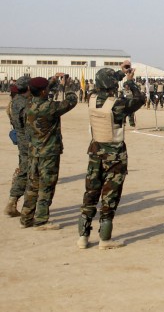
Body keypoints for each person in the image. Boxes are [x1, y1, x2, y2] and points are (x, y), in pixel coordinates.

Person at [76, 62, 145, 250]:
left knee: (90, 194)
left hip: (95, 153)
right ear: (113, 85)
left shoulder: (90, 98)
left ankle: (83, 237)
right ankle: (104, 239)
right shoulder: (118, 104)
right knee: (110, 197)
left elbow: (105, 82)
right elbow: (140, 99)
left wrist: (119, 73)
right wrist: (130, 82)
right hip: (114, 156)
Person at [21, 74, 78, 229]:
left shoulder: (28, 104)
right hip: (48, 153)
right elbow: (72, 101)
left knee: (32, 186)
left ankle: (26, 218)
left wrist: (52, 82)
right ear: (44, 92)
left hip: (34, 152)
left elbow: (39, 92)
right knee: (46, 186)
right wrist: (67, 86)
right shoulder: (50, 107)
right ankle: (41, 220)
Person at [4, 76, 30, 217]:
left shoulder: (13, 103)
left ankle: (12, 203)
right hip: (30, 142)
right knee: (30, 174)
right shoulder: (27, 104)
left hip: (21, 141)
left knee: (23, 171)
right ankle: (25, 208)